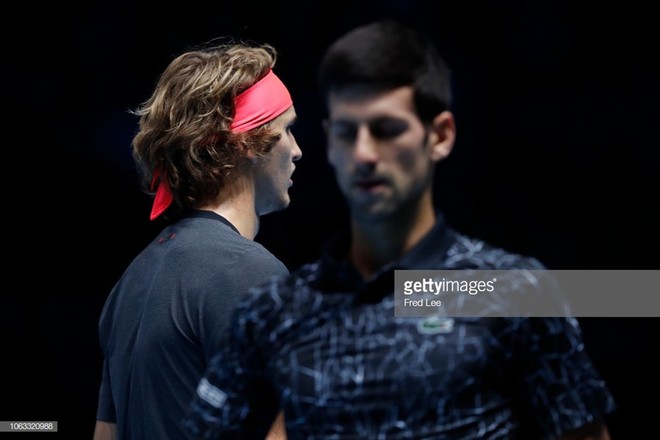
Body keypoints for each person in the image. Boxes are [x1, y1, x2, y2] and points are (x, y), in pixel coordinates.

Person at [181, 21, 615, 439]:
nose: (366, 154)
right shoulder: (271, 314)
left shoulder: (515, 294)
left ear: (440, 135)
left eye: (387, 130)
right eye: (349, 133)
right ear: (331, 142)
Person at [93, 40, 301, 440]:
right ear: (246, 142)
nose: (297, 151)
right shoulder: (250, 272)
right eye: (286, 129)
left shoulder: (128, 284)